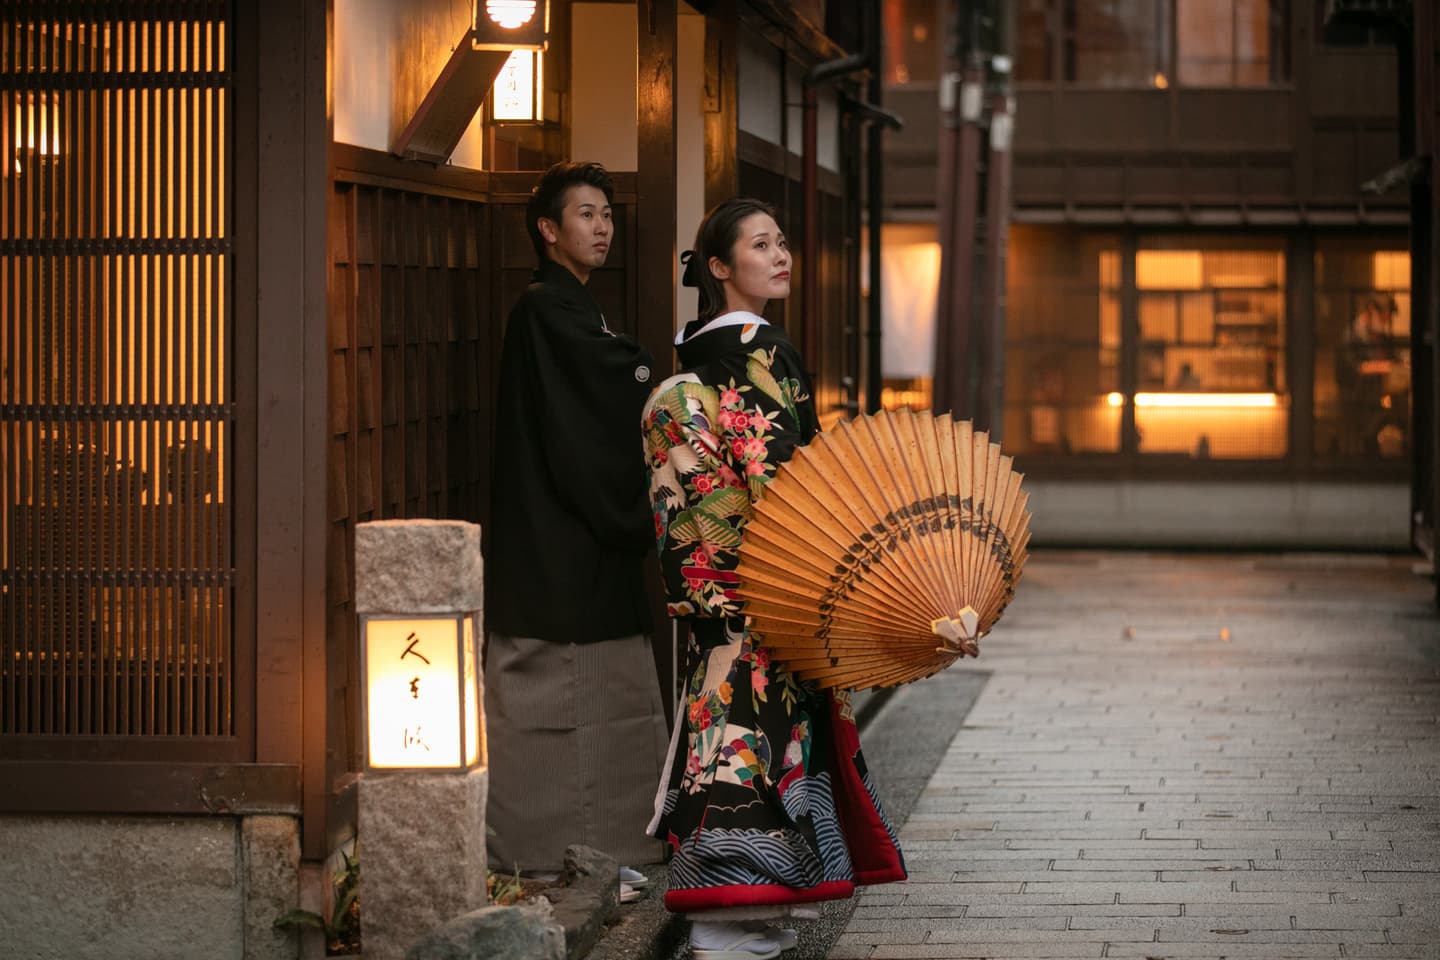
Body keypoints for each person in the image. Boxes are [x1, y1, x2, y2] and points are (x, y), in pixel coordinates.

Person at [641, 199, 907, 960]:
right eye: (762, 245)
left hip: (716, 586)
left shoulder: (692, 364)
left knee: (726, 734)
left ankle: (736, 908)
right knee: (770, 737)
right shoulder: (761, 350)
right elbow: (787, 476)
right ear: (721, 267)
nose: (781, 255)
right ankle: (745, 916)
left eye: (782, 242)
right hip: (771, 581)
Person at [485, 161, 668, 883]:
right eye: (585, 215)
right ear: (548, 230)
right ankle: (535, 850)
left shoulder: (573, 311)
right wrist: (655, 375)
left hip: (574, 539)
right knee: (545, 697)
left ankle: (617, 843)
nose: (601, 228)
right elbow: (606, 385)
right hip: (553, 541)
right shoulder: (543, 310)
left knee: (604, 707)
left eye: (607, 216)